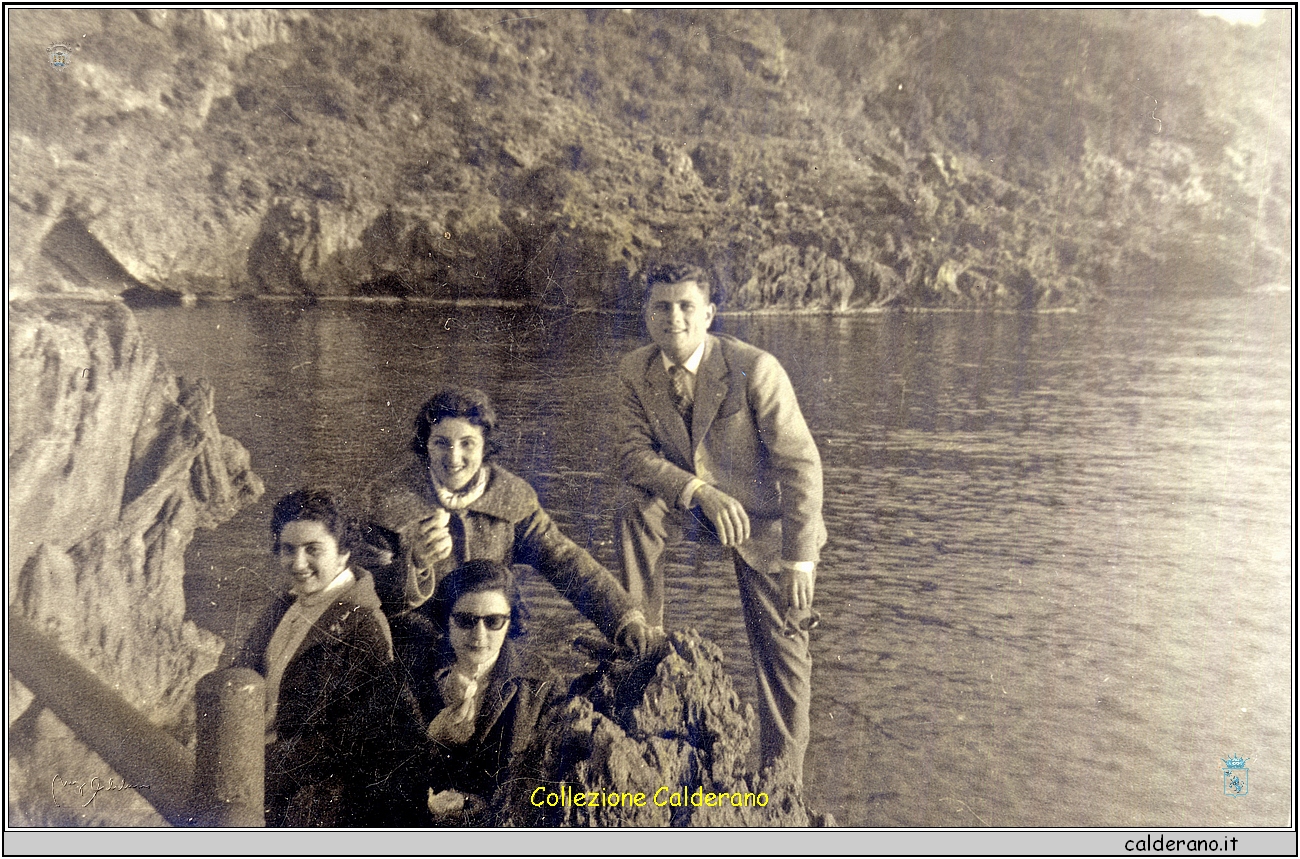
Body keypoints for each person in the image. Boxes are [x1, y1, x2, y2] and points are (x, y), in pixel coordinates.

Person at [615, 262, 826, 782]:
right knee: (636, 509)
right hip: (694, 508)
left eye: (686, 306)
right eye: (662, 306)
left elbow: (801, 466)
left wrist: (801, 560)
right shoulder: (634, 372)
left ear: (708, 314)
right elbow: (632, 456)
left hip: (764, 519)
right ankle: (642, 631)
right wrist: (700, 492)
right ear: (646, 315)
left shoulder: (755, 367)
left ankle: (783, 781)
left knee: (784, 650)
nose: (675, 318)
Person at [368, 386, 653, 656]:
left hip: (490, 639)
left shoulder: (511, 498)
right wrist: (414, 565)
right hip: (415, 646)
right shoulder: (389, 500)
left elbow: (567, 563)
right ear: (426, 446)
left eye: (467, 443)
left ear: (485, 447)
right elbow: (363, 592)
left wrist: (623, 618)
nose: (454, 456)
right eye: (441, 443)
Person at [234, 489, 421, 827]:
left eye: (313, 550)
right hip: (258, 766)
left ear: (344, 553)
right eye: (288, 549)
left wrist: (264, 762)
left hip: (313, 797)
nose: (298, 563)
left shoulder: (362, 625)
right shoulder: (286, 605)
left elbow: (356, 739)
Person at [406, 559, 554, 825]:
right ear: (446, 617)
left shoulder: (540, 682)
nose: (479, 635)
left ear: (511, 620)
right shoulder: (413, 671)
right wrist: (434, 738)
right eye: (465, 620)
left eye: (494, 621)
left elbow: (545, 783)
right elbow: (383, 776)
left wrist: (486, 808)